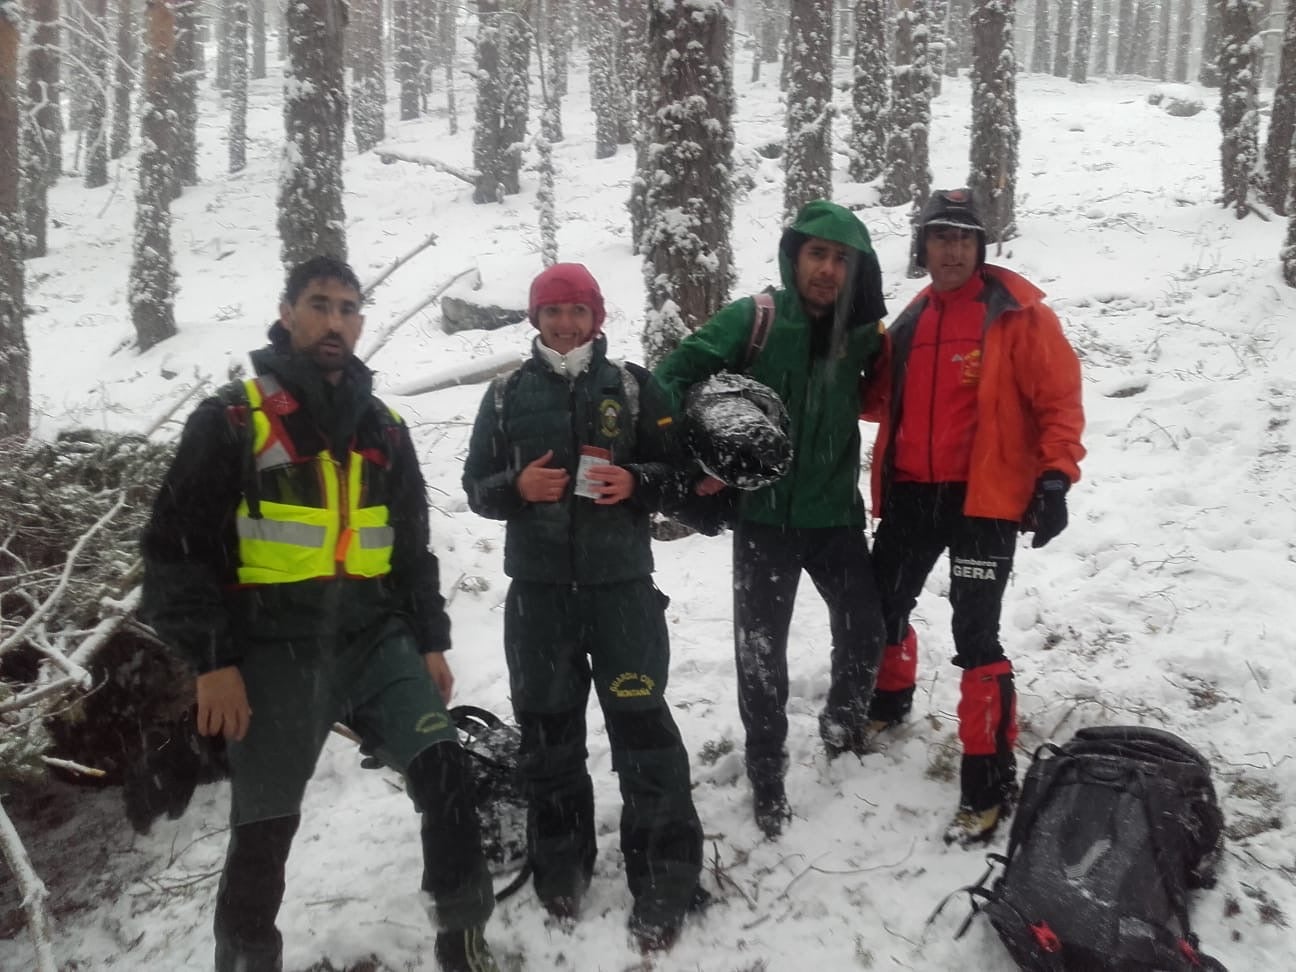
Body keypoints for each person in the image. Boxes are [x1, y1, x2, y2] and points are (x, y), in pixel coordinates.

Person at [140, 256, 499, 972]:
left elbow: (411, 550)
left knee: (447, 777)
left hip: (376, 642)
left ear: (360, 321)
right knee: (265, 830)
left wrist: (429, 641)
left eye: (348, 308)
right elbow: (174, 552)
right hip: (274, 652)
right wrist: (214, 663)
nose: (335, 321)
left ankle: (463, 945)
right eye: (320, 304)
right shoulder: (233, 419)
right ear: (288, 312)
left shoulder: (384, 428)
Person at [461, 263, 705, 953]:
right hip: (538, 598)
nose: (566, 324)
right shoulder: (507, 392)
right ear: (535, 318)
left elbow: (678, 475)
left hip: (621, 591)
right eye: (554, 312)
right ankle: (561, 866)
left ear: (597, 318)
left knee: (643, 733)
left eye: (578, 312)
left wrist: (635, 480)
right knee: (549, 736)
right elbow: (476, 486)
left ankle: (664, 877)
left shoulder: (630, 385)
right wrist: (516, 487)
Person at [654, 200, 890, 839]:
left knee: (867, 629)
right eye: (817, 254)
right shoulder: (755, 317)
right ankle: (766, 775)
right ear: (795, 258)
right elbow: (672, 376)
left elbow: (889, 390)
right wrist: (696, 451)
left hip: (835, 514)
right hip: (764, 519)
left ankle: (842, 731)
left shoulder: (863, 333)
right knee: (761, 656)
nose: (828, 270)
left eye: (842, 260)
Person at [863, 188, 1086, 846]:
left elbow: (1059, 398)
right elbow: (875, 398)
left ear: (980, 247)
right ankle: (889, 698)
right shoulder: (908, 321)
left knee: (976, 633)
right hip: (910, 493)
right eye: (940, 237)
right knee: (882, 604)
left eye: (964, 237)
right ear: (923, 247)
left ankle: (988, 781)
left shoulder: (1016, 315)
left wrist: (1054, 475)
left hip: (981, 500)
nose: (953, 249)